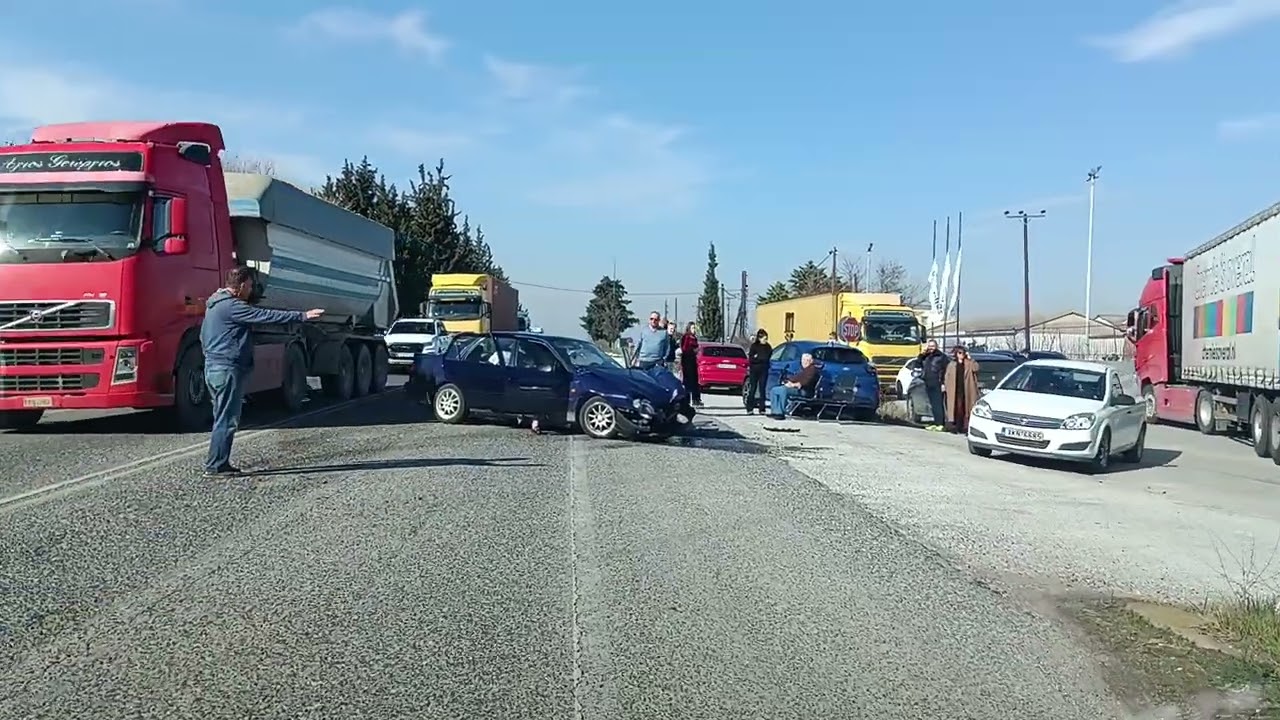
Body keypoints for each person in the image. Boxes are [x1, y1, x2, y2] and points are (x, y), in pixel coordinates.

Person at [200, 267, 324, 476]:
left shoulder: (214, 306)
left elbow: (204, 337)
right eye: (249, 286)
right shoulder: (232, 307)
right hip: (227, 368)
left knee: (221, 416)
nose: (250, 290)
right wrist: (302, 316)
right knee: (227, 419)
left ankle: (218, 462)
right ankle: (216, 465)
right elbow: (265, 315)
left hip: (214, 367)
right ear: (240, 287)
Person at [767, 352, 819, 419]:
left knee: (783, 390)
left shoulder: (812, 370)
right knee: (774, 390)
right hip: (797, 388)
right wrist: (788, 381)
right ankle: (774, 411)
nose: (803, 362)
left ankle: (780, 412)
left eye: (806, 361)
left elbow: (806, 382)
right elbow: (796, 377)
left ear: (810, 361)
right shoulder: (804, 370)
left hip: (804, 390)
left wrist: (793, 385)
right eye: (802, 360)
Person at [944, 344, 981, 433]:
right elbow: (947, 377)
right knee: (956, 408)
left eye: (963, 353)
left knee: (966, 408)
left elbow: (976, 368)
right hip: (955, 390)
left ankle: (965, 427)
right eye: (959, 353)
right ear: (956, 354)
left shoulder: (969, 363)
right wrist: (946, 387)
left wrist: (970, 358)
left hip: (967, 389)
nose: (961, 355)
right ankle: (956, 426)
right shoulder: (952, 364)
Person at [916, 339, 949, 431]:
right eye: (929, 346)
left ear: (936, 347)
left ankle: (940, 423)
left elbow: (945, 371)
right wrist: (922, 354)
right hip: (928, 382)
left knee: (938, 404)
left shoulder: (941, 357)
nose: (931, 348)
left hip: (937, 382)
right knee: (932, 404)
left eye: (933, 346)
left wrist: (943, 383)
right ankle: (936, 422)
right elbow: (918, 363)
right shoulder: (926, 356)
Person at [745, 328, 772, 414]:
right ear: (760, 338)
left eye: (766, 338)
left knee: (762, 389)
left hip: (764, 370)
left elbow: (767, 357)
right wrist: (758, 358)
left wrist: (759, 358)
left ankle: (762, 408)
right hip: (754, 370)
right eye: (764, 338)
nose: (765, 340)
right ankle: (750, 408)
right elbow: (751, 359)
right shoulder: (754, 346)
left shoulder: (768, 347)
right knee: (753, 388)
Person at [679, 322, 703, 406]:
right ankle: (687, 399)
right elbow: (684, 349)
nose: (694, 330)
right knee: (688, 381)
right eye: (693, 328)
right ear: (689, 328)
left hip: (693, 361)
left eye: (695, 328)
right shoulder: (686, 337)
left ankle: (696, 399)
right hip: (687, 361)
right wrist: (693, 351)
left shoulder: (694, 338)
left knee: (695, 381)